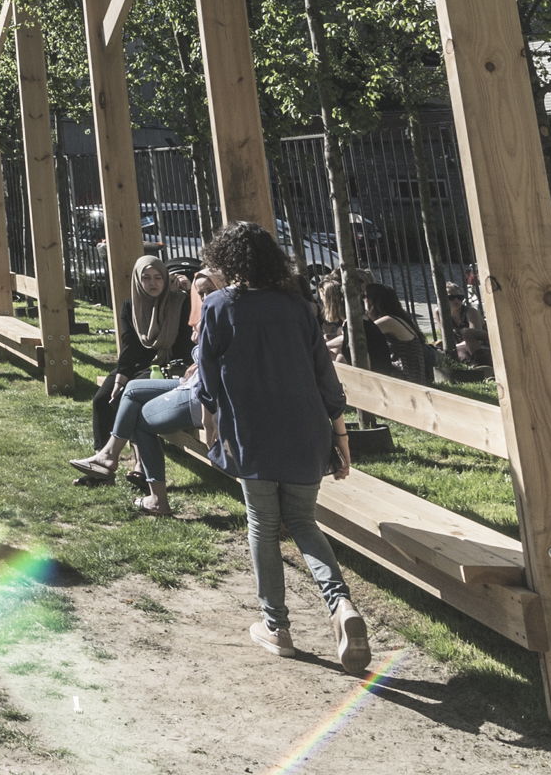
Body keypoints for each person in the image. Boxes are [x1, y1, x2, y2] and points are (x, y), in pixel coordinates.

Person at [196, 222, 371, 672]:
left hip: (253, 435)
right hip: (305, 431)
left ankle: (276, 626)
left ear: (228, 261)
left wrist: (211, 427)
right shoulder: (298, 308)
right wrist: (341, 433)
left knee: (263, 526)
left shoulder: (217, 306)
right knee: (303, 521)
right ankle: (341, 604)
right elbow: (324, 374)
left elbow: (208, 381)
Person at [85, 255, 195, 458]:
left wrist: (189, 289)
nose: (152, 283)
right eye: (146, 278)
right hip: (138, 364)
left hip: (170, 364)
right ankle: (100, 460)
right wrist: (121, 375)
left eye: (158, 277)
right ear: (137, 279)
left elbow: (197, 322)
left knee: (132, 396)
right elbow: (130, 345)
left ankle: (140, 465)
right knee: (103, 398)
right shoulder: (130, 306)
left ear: (166, 278)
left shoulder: (180, 302)